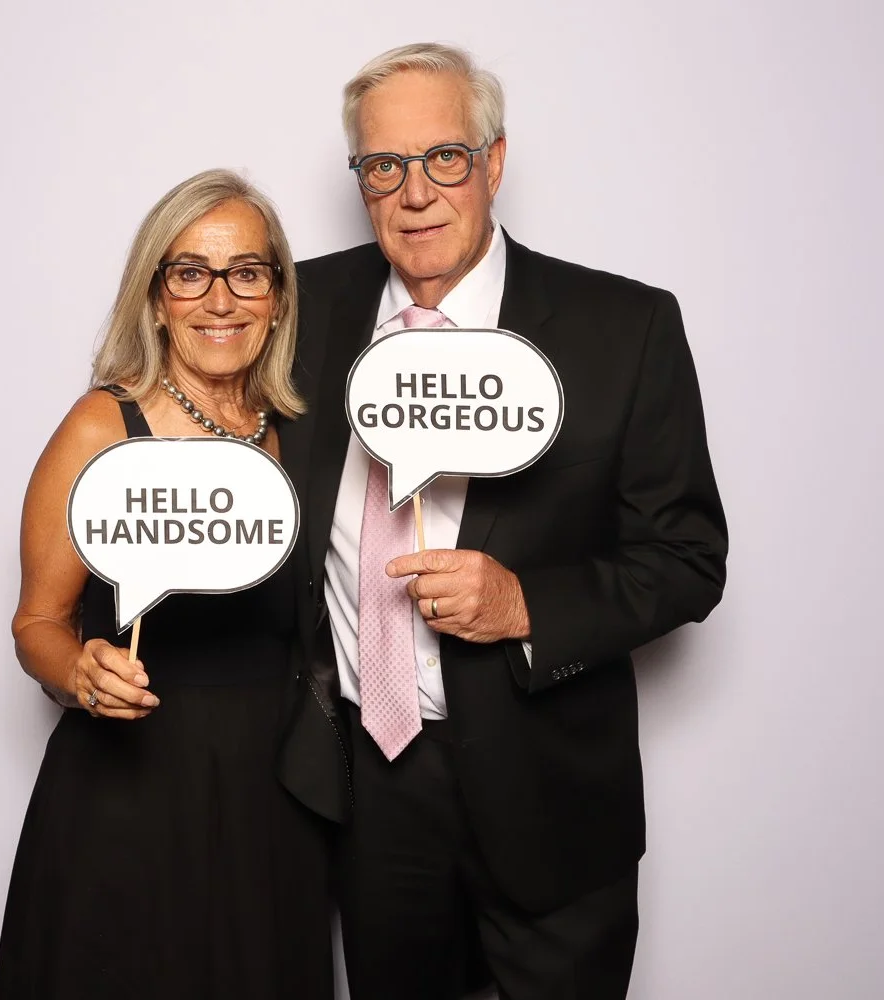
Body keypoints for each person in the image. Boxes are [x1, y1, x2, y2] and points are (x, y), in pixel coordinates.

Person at [277, 43, 729, 999]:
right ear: (359, 179)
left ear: (493, 161)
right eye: (382, 167)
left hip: (552, 793)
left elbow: (689, 559)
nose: (415, 193)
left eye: (443, 158)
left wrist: (528, 604)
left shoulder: (624, 328)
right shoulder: (301, 310)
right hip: (373, 785)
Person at [0, 169, 332, 1000]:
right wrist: (77, 671)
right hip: (127, 795)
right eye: (190, 272)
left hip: (274, 800)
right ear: (155, 297)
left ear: (280, 297)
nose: (220, 299)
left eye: (247, 272)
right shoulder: (102, 426)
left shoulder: (308, 432)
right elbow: (37, 620)